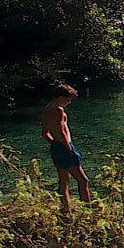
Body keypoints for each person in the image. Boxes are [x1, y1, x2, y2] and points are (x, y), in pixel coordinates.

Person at [41, 84, 92, 214]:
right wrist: (68, 148)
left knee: (64, 180)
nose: (69, 103)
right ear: (61, 97)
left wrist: (55, 145)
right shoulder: (59, 110)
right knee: (83, 180)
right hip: (65, 146)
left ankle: (65, 208)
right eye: (68, 99)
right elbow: (62, 131)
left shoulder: (47, 109)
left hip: (56, 147)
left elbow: (45, 133)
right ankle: (88, 208)